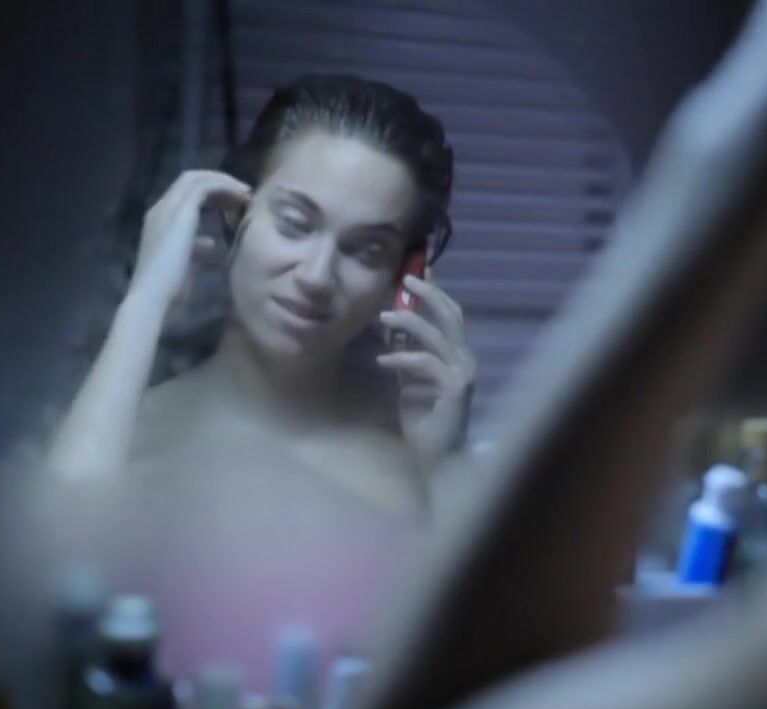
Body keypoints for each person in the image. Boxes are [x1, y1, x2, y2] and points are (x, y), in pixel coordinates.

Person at [45, 75, 477, 515]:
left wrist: (437, 465)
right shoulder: (121, 433)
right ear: (235, 212)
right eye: (294, 224)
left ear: (403, 274)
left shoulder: (415, 451)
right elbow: (57, 537)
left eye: (367, 250)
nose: (316, 276)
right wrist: (144, 304)